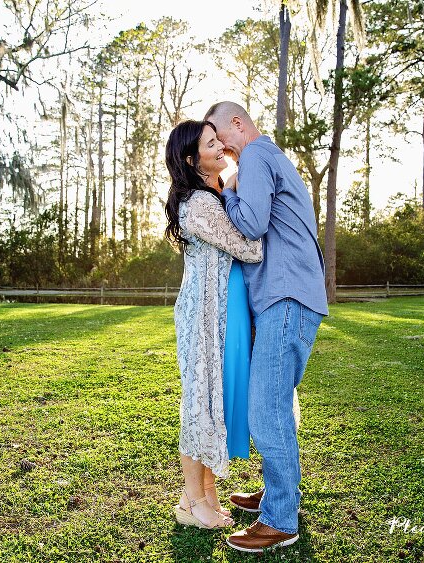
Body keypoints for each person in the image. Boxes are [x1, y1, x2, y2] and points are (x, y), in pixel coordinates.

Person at [203, 101, 328, 552]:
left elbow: (252, 224)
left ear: (238, 123)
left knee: (265, 408)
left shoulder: (255, 156)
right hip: (288, 297)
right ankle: (280, 494)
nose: (218, 145)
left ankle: (280, 519)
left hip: (286, 296)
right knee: (273, 405)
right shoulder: (271, 157)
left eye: (218, 133)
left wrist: (224, 190)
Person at [164, 119, 262, 529]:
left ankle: (208, 497)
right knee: (199, 404)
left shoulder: (214, 193)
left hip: (221, 310)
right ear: (193, 159)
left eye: (218, 138)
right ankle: (190, 501)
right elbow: (249, 247)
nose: (221, 144)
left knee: (213, 403)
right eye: (211, 142)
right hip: (203, 314)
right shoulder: (200, 204)